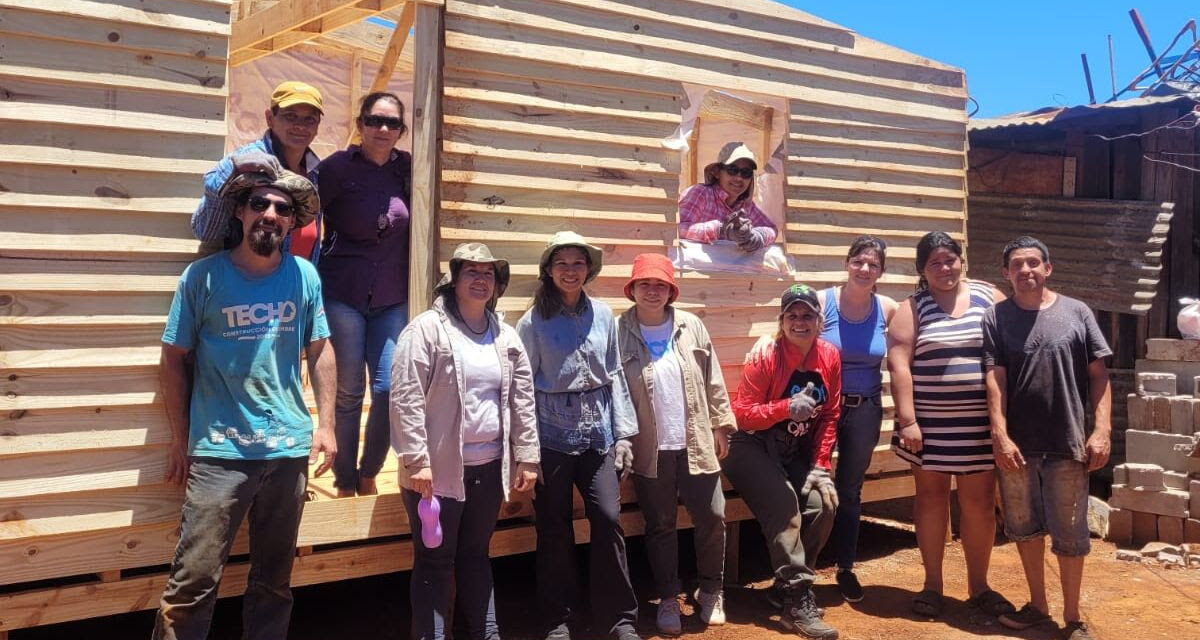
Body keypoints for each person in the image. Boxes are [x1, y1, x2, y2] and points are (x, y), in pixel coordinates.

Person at [152, 161, 335, 640]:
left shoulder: (305, 277)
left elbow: (319, 348)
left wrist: (327, 425)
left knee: (273, 584)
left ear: (292, 223)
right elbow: (173, 360)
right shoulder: (202, 278)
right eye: (260, 204)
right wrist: (180, 438)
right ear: (239, 212)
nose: (270, 214)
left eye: (282, 208)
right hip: (219, 452)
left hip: (287, 450)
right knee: (193, 582)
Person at [390, 242, 541, 640]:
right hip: (435, 473)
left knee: (476, 556)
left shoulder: (505, 336)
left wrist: (526, 456)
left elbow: (522, 400)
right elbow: (404, 395)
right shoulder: (425, 330)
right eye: (471, 271)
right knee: (435, 560)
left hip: (489, 469)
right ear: (454, 280)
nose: (480, 280)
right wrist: (416, 460)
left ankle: (485, 634)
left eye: (488, 273)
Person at [982, 236, 1112, 640]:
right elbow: (994, 378)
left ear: (1048, 268)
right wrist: (1000, 435)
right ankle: (1038, 606)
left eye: (1034, 263)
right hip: (1016, 448)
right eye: (1017, 265)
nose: (1026, 271)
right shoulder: (996, 317)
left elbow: (1099, 375)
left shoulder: (1077, 312)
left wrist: (1102, 429)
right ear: (1006, 274)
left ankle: (1073, 617)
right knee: (1023, 526)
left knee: (1071, 531)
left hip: (1068, 441)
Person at [515, 231, 641, 640]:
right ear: (549, 271)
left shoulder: (604, 315)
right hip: (550, 434)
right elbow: (522, 388)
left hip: (598, 433)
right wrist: (527, 450)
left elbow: (616, 373)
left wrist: (623, 435)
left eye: (578, 263)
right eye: (562, 263)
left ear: (589, 269)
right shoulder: (532, 321)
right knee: (553, 526)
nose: (571, 271)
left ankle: (619, 619)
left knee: (607, 518)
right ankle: (560, 620)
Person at [887, 231, 1014, 619]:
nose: (945, 268)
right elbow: (899, 364)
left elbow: (1009, 350)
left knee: (978, 503)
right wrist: (908, 419)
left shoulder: (989, 297)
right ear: (922, 271)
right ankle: (932, 585)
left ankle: (980, 586)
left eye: (950, 259)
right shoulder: (913, 307)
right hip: (927, 427)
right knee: (931, 500)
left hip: (978, 425)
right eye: (934, 263)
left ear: (962, 260)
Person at [617, 253, 736, 636]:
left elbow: (713, 377)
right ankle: (668, 597)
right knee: (661, 524)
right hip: (649, 448)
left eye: (660, 285)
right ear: (633, 289)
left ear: (671, 291)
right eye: (645, 284)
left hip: (695, 440)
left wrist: (721, 425)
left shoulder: (691, 326)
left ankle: (710, 589)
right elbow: (614, 389)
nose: (652, 291)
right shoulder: (620, 331)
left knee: (713, 514)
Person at [722, 283, 841, 640]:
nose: (800, 322)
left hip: (792, 447)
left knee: (824, 506)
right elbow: (742, 415)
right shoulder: (767, 356)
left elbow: (830, 415)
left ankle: (784, 586)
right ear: (782, 320)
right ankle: (796, 601)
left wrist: (821, 465)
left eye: (807, 315)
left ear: (819, 321)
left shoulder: (830, 356)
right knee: (785, 506)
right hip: (748, 445)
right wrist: (785, 408)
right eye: (793, 315)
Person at [316, 92, 413, 497]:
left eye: (392, 123)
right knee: (349, 390)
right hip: (344, 292)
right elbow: (303, 218)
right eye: (375, 121)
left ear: (402, 131)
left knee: (391, 389)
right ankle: (344, 479)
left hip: (392, 294)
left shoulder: (410, 169)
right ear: (360, 124)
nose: (383, 129)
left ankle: (370, 468)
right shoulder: (336, 168)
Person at [819, 236, 898, 603]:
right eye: (859, 262)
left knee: (850, 490)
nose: (865, 269)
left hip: (865, 408)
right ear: (847, 263)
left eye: (873, 265)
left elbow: (904, 355)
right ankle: (798, 570)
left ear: (881, 271)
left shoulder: (888, 308)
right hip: (823, 410)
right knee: (809, 484)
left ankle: (845, 567)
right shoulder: (823, 302)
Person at [191, 81, 324, 262]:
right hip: (248, 285)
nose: (300, 126)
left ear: (317, 126)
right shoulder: (246, 163)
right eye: (290, 116)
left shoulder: (316, 172)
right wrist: (230, 173)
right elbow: (205, 232)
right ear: (270, 118)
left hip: (296, 285)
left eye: (310, 119)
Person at [678, 142, 777, 252]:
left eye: (746, 173)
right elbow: (677, 229)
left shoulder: (746, 206)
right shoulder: (700, 194)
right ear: (717, 173)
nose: (739, 178)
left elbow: (771, 229)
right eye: (732, 170)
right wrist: (720, 230)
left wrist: (757, 236)